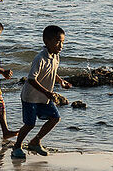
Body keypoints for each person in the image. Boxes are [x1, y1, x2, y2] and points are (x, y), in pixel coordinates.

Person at [11, 25, 71, 159]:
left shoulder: (56, 56)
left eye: (62, 42)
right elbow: (31, 79)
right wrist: (47, 93)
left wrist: (61, 81)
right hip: (30, 97)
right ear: (46, 41)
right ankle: (17, 146)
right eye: (57, 41)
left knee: (55, 118)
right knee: (29, 123)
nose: (61, 45)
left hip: (44, 98)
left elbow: (52, 72)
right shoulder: (40, 58)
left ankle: (35, 141)